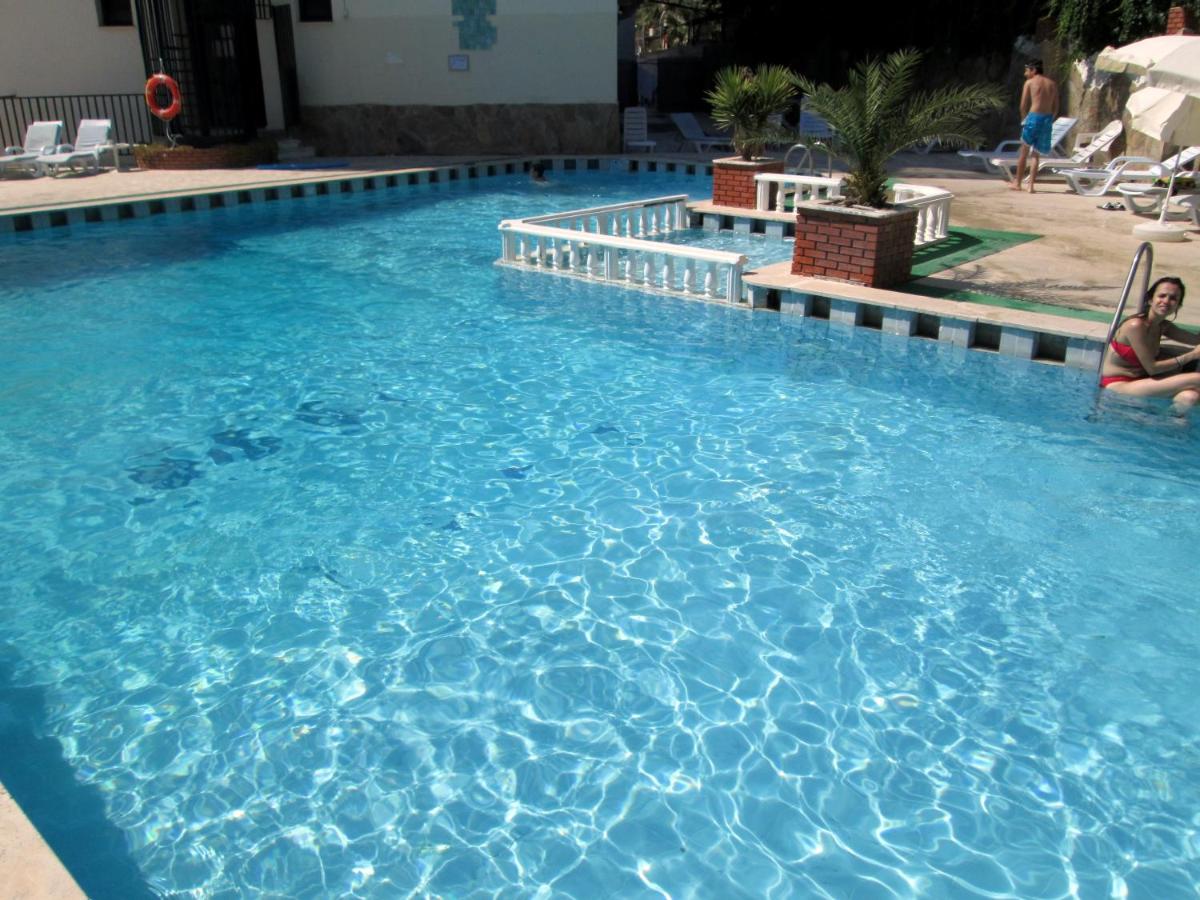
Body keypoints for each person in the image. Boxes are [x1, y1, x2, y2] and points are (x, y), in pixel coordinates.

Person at [1100, 276, 1200, 411]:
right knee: (1197, 378)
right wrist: (1192, 355)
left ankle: (1172, 421)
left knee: (1190, 396)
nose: (1166, 301)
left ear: (1178, 305)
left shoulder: (1163, 326)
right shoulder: (1135, 326)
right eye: (1162, 296)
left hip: (1141, 382)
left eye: (1173, 298)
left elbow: (1196, 340)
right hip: (1117, 385)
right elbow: (1152, 368)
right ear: (1150, 299)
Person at [1011, 60, 1059, 194]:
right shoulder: (1052, 84)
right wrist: (1050, 119)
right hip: (1047, 119)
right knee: (1036, 154)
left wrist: (1023, 119)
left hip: (1033, 117)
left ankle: (1018, 183)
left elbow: (1023, 105)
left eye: (1027, 70)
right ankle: (1031, 186)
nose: (1025, 73)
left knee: (1024, 151)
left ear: (1033, 70)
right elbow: (1056, 107)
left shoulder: (1030, 83)